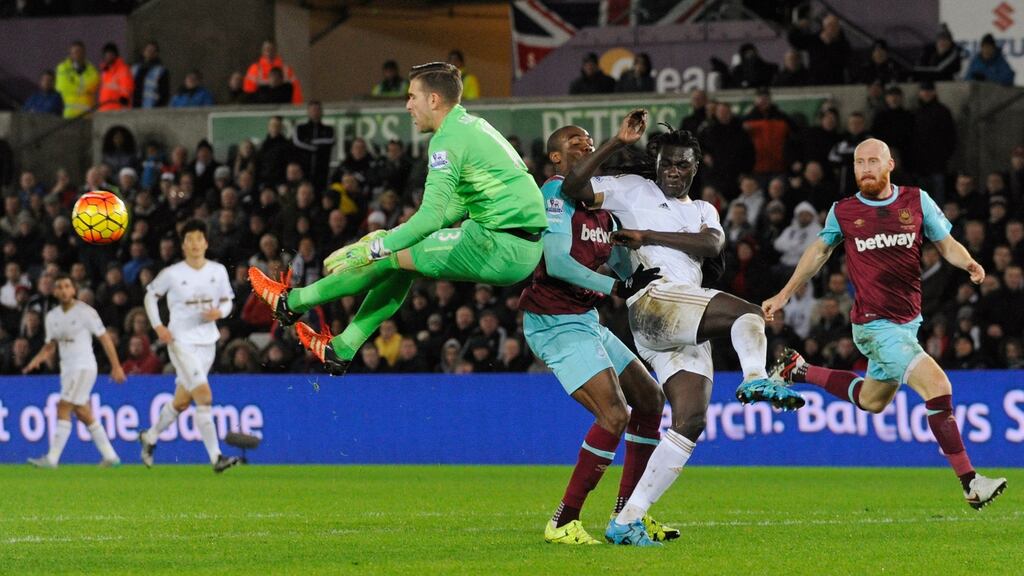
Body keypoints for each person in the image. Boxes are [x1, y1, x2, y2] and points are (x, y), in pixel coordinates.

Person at [558, 113, 803, 546]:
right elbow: (572, 188)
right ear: (655, 163)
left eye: (683, 165)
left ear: (696, 167)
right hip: (655, 299)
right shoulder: (630, 188)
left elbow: (712, 245)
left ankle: (627, 519)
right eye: (667, 163)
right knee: (749, 315)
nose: (674, 171)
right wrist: (617, 141)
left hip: (681, 316)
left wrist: (646, 234)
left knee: (690, 421)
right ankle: (756, 379)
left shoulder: (704, 209)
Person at [248, 62, 546, 375]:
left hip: (498, 245)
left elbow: (431, 218)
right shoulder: (472, 127)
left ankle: (292, 302)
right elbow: (454, 208)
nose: (407, 105)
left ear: (433, 100)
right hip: (518, 246)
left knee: (387, 254)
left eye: (412, 96)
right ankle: (343, 347)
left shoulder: (447, 140)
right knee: (401, 258)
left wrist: (371, 250)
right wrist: (394, 236)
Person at [762, 138, 1008, 510]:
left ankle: (798, 370)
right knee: (938, 386)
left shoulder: (916, 200)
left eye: (873, 161)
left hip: (907, 322)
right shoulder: (842, 211)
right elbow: (817, 254)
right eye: (859, 163)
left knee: (871, 400)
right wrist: (783, 295)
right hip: (875, 325)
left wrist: (970, 263)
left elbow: (947, 244)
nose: (865, 168)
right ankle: (971, 482)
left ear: (889, 164)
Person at [520, 119, 675, 546]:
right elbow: (555, 262)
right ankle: (563, 520)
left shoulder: (602, 212)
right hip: (552, 318)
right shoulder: (554, 192)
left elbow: (623, 267)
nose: (584, 143)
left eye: (588, 140)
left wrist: (642, 271)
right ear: (556, 157)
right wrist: (616, 287)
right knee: (614, 414)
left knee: (650, 399)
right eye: (575, 142)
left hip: (585, 318)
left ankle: (626, 519)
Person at [139, 220, 240, 473]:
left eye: (199, 238)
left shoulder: (217, 271)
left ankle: (150, 437)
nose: (195, 243)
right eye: (189, 239)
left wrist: (220, 311)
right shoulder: (172, 274)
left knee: (182, 401)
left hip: (208, 342)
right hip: (180, 341)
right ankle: (216, 457)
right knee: (204, 396)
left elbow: (228, 301)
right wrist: (158, 326)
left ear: (206, 242)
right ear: (183, 245)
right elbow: (150, 296)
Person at [22, 275, 126, 468]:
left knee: (63, 407)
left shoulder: (86, 312)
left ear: (73, 290)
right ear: (54, 292)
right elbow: (51, 345)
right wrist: (36, 359)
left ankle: (52, 459)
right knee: (83, 412)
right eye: (59, 287)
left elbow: (104, 338)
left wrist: (116, 366)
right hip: (68, 369)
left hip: (84, 365)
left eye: (67, 286)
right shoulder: (52, 317)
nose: (63, 290)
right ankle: (111, 456)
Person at [292, 100, 336, 192]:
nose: (315, 112)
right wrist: (316, 147)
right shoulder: (301, 128)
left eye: (317, 109)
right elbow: (298, 142)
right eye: (312, 110)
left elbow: (330, 141)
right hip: (303, 172)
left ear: (321, 112)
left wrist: (310, 142)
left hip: (322, 172)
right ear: (308, 112)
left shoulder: (328, 129)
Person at [243, 39, 303, 104]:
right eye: (267, 49)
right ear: (262, 51)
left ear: (276, 51)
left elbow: (296, 92)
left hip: (283, 108)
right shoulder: (254, 69)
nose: (269, 52)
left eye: (272, 49)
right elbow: (248, 92)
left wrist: (296, 109)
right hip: (262, 109)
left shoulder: (286, 70)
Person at [54, 40, 99, 118]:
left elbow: (94, 84)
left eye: (80, 52)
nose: (77, 54)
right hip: (69, 115)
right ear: (70, 54)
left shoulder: (92, 70)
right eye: (74, 52)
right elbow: (62, 87)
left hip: (87, 115)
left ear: (84, 53)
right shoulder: (63, 68)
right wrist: (84, 88)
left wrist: (74, 83)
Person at [131, 41, 170, 108]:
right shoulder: (134, 69)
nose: (150, 53)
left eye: (153, 51)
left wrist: (159, 107)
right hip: (134, 107)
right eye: (148, 50)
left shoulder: (161, 71)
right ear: (143, 52)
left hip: (151, 108)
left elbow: (164, 93)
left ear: (156, 53)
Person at [98, 43, 133, 112]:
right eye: (106, 55)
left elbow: (127, 85)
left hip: (118, 107)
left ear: (115, 55)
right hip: (105, 107)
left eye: (110, 54)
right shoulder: (105, 71)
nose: (108, 57)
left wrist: (124, 97)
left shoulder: (123, 69)